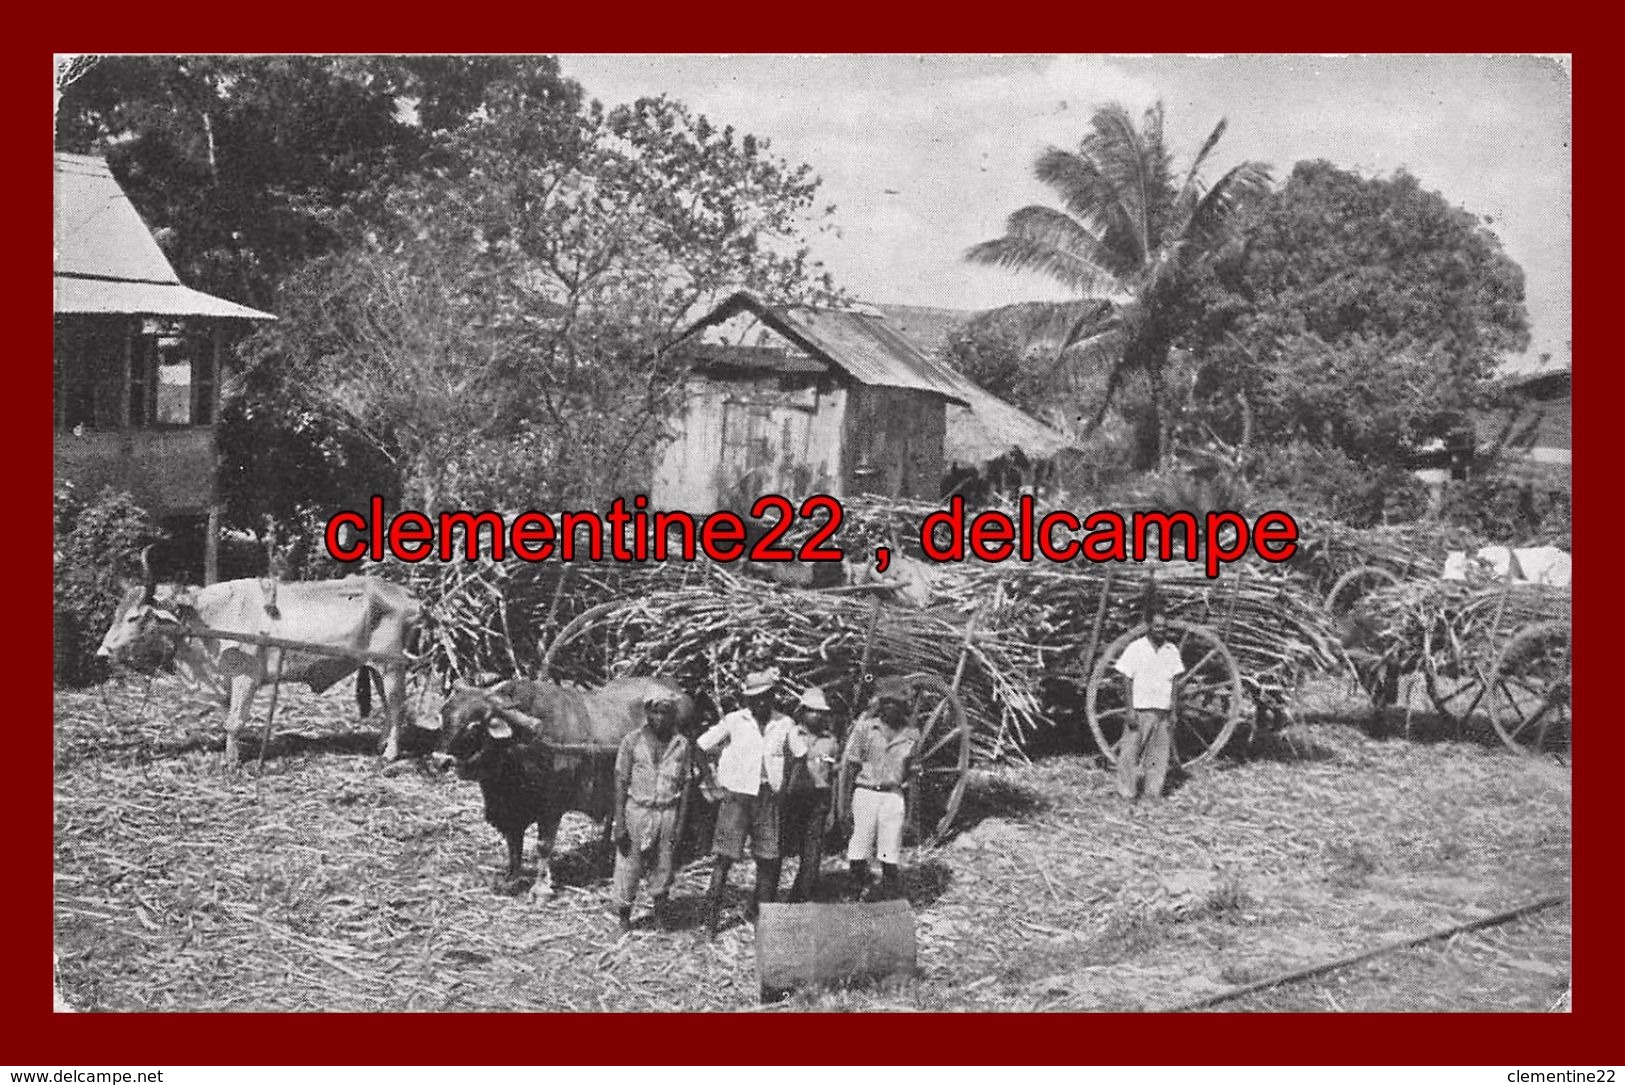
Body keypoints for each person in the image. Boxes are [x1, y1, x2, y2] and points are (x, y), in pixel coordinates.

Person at [695, 669, 795, 938]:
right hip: (737, 797)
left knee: (768, 859)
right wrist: (713, 784)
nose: (760, 703)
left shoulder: (784, 723)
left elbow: (797, 755)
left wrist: (783, 787)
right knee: (724, 858)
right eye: (755, 698)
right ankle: (710, 920)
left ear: (773, 697)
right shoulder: (735, 720)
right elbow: (700, 747)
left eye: (765, 697)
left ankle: (763, 921)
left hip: (767, 797)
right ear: (747, 700)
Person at [611, 694, 692, 932]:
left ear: (673, 715)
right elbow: (620, 780)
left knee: (663, 865)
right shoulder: (632, 741)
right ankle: (625, 917)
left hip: (667, 812)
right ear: (646, 713)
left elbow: (686, 782)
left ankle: (660, 916)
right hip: (637, 811)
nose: (659, 718)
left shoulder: (681, 744)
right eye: (654, 712)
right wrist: (619, 822)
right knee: (628, 866)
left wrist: (680, 824)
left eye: (665, 712)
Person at [838, 682, 920, 902]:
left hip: (893, 795)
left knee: (890, 844)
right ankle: (856, 887)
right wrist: (845, 806)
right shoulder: (866, 729)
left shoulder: (911, 735)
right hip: (866, 792)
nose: (891, 708)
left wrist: (911, 816)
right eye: (887, 703)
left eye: (897, 704)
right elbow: (851, 767)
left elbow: (912, 778)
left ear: (904, 708)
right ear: (881, 705)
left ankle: (889, 891)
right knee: (860, 841)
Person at [1111, 612, 1185, 802]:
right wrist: (1129, 710)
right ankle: (1126, 793)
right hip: (1140, 709)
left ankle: (1152, 793)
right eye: (1158, 627)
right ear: (1149, 628)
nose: (1161, 631)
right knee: (1129, 752)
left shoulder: (1171, 650)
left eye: (1165, 628)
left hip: (1163, 711)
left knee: (1158, 755)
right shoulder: (1136, 648)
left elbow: (1175, 681)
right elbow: (1126, 678)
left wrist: (1173, 711)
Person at [782, 686, 840, 903]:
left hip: (819, 798)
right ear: (802, 712)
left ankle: (802, 897)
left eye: (821, 712)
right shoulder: (793, 735)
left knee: (812, 850)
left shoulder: (830, 742)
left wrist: (832, 809)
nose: (817, 715)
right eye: (812, 711)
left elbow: (832, 776)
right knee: (785, 847)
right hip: (794, 797)